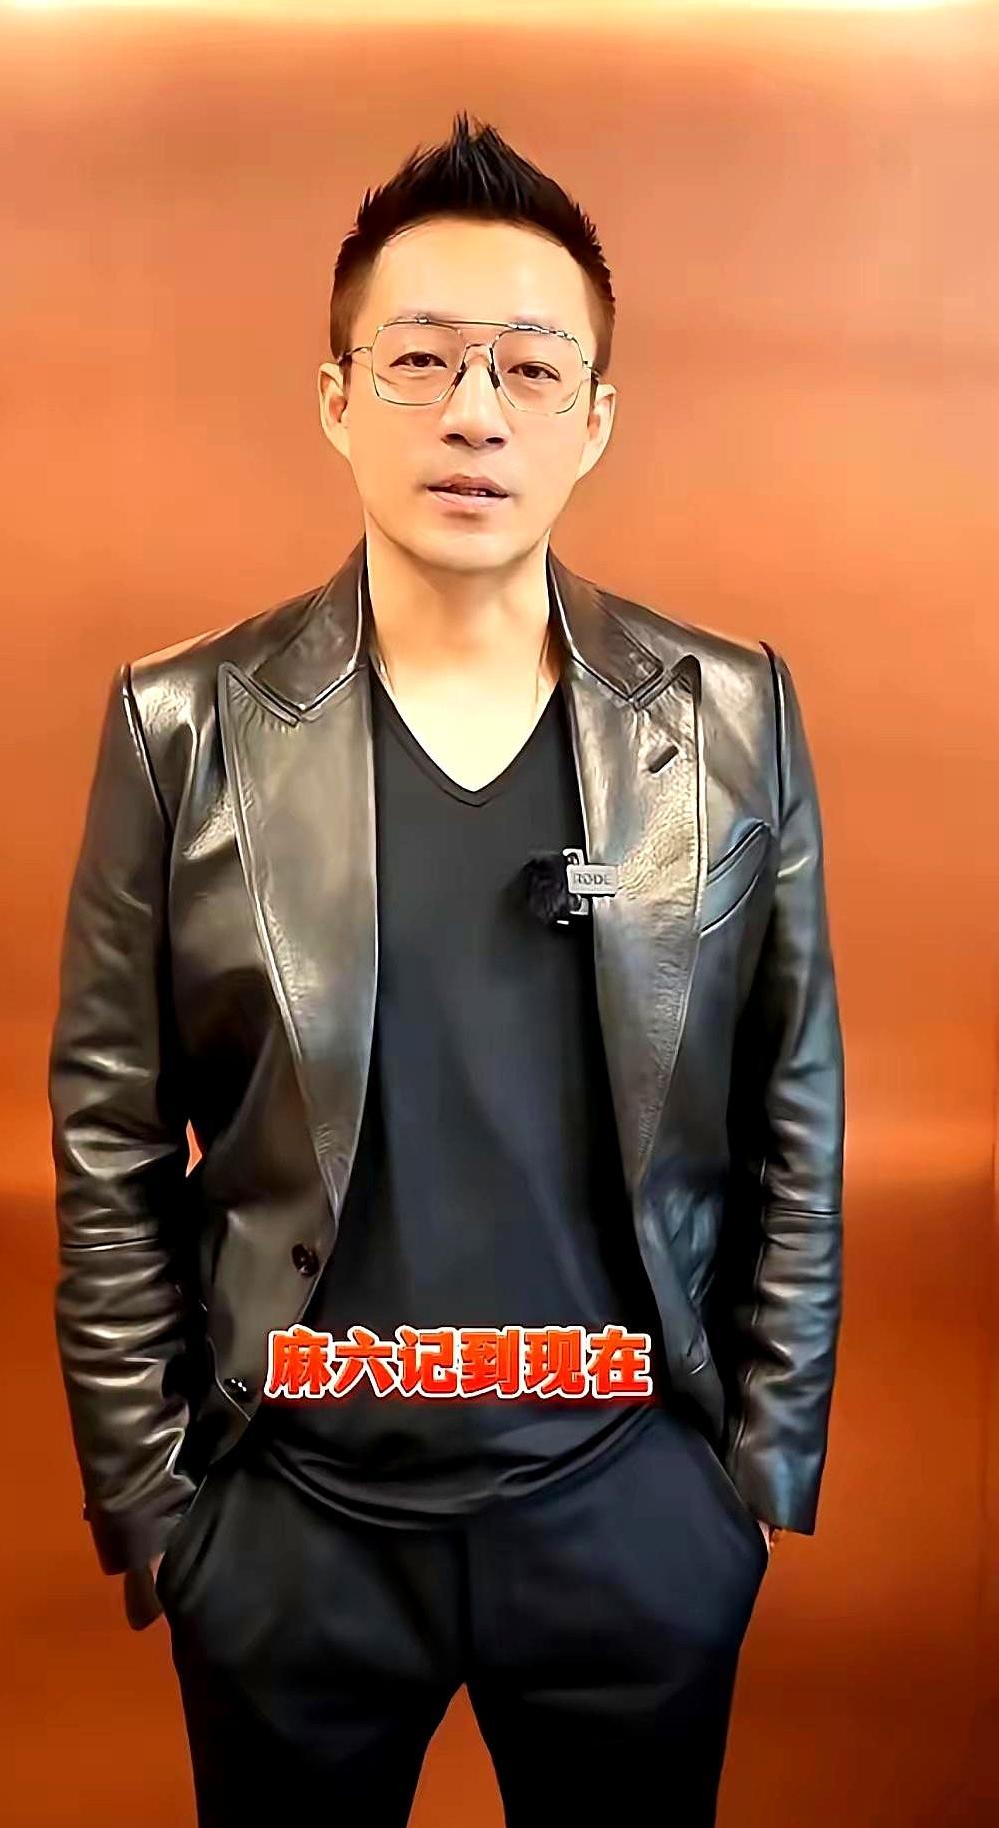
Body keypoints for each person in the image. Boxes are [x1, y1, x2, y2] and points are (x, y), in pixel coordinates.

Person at [48, 110, 845, 1828]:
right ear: (337, 397)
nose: (475, 411)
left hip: (631, 1508)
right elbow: (106, 1139)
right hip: (292, 1527)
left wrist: (751, 1486)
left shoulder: (727, 720)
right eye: (419, 359)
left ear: (594, 419)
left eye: (531, 369)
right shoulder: (184, 729)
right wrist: (158, 1508)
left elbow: (798, 1111)